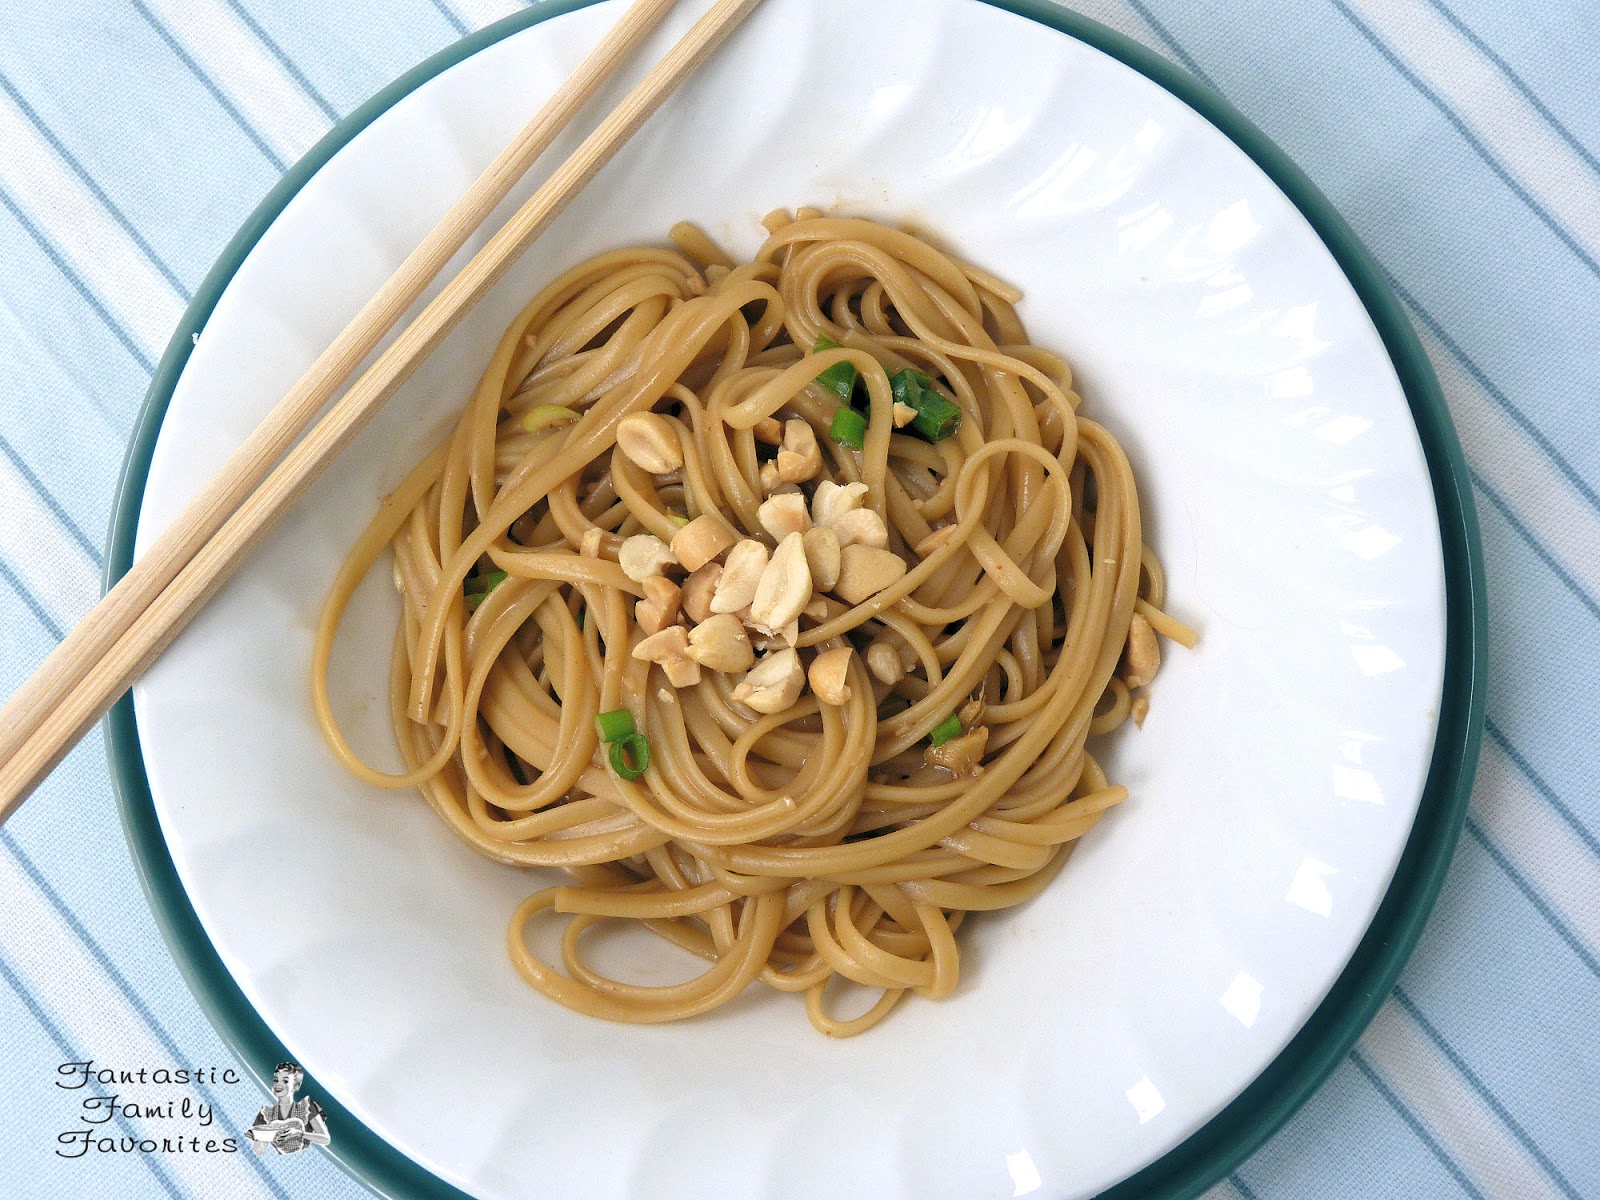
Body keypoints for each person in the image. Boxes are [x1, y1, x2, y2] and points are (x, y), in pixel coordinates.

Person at [245, 1063, 330, 1155]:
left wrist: (298, 1133)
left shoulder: (305, 1108)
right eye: (276, 1080)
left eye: (285, 1081)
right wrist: (261, 1135)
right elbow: (259, 1151)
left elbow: (325, 1139)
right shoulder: (266, 1115)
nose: (278, 1084)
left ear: (296, 1086)